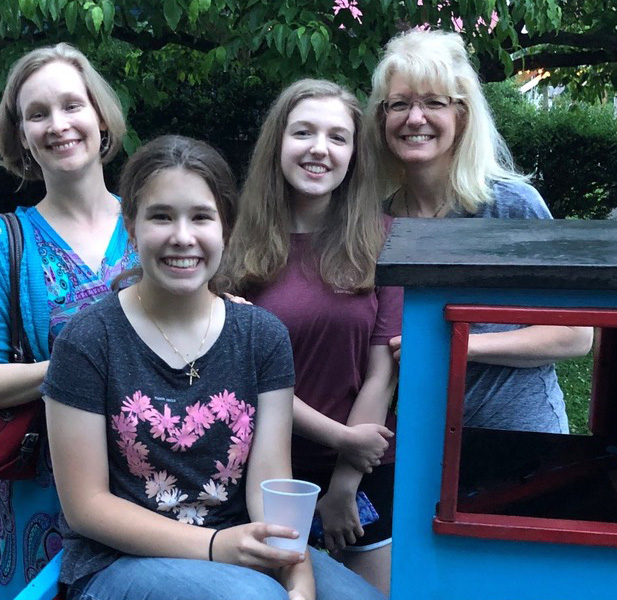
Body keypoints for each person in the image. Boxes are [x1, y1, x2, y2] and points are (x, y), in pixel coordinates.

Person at [41, 134, 386, 600]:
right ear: (131, 227)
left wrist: (297, 576)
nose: (182, 237)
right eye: (161, 216)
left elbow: (270, 486)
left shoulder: (261, 336)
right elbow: (86, 508)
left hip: (244, 545)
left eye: (201, 217)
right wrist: (215, 546)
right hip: (119, 562)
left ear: (227, 227)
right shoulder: (88, 341)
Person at [0, 43, 136, 599]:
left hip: (157, 487)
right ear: (22, 137)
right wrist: (84, 364)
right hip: (44, 500)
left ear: (100, 117)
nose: (58, 125)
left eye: (71, 105)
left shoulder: (153, 223)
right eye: (37, 114)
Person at [221, 79, 401, 595]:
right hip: (257, 473)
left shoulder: (386, 239)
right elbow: (247, 376)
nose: (319, 148)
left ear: (354, 154)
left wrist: (344, 482)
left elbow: (382, 373)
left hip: (362, 469)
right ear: (278, 143)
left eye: (337, 137)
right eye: (303, 132)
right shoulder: (233, 241)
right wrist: (340, 438)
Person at [366, 29, 593, 433]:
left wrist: (459, 346)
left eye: (434, 102)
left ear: (462, 114)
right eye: (399, 104)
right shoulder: (379, 218)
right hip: (421, 442)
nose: (415, 118)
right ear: (382, 117)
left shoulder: (511, 205)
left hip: (519, 437)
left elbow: (575, 334)